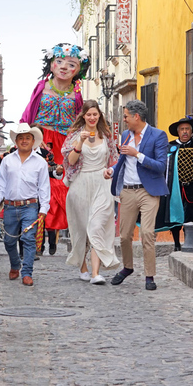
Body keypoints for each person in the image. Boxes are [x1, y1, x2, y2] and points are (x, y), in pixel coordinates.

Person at [21, 43, 90, 249]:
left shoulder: (77, 94)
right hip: (41, 139)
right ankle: (37, 233)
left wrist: (79, 141)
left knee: (63, 184)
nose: (64, 67)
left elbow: (80, 120)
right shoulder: (42, 87)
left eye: (71, 64)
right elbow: (28, 113)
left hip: (65, 142)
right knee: (40, 183)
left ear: (78, 70)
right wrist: (30, 138)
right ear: (51, 65)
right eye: (59, 62)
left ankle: (56, 231)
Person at [104, 100, 169, 291]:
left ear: (136, 117)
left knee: (147, 233)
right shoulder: (125, 135)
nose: (124, 120)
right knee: (124, 236)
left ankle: (150, 276)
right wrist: (111, 170)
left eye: (125, 116)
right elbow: (122, 162)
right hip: (127, 190)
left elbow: (161, 166)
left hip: (148, 191)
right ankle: (128, 267)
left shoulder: (158, 135)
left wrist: (137, 154)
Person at [62, 100, 120, 284]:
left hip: (102, 183)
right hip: (80, 184)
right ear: (83, 116)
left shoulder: (107, 136)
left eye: (95, 114)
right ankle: (83, 267)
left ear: (99, 116)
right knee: (81, 230)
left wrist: (110, 170)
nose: (92, 117)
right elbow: (70, 161)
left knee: (96, 226)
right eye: (89, 115)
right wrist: (80, 141)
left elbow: (115, 160)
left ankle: (96, 273)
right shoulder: (74, 136)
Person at [0, 123, 50, 286]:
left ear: (33, 141)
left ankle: (27, 272)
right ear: (16, 141)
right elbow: (1, 184)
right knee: (8, 241)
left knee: (28, 239)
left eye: (27, 138)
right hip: (10, 207)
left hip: (30, 206)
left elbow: (44, 187)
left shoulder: (40, 163)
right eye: (21, 138)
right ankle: (15, 264)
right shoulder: (7, 161)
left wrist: (44, 209)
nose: (24, 141)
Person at [160, 117, 193, 251]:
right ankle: (177, 244)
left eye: (187, 129)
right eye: (182, 129)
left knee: (191, 216)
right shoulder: (169, 147)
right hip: (174, 188)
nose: (185, 132)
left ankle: (189, 243)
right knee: (174, 216)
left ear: (191, 131)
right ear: (178, 132)